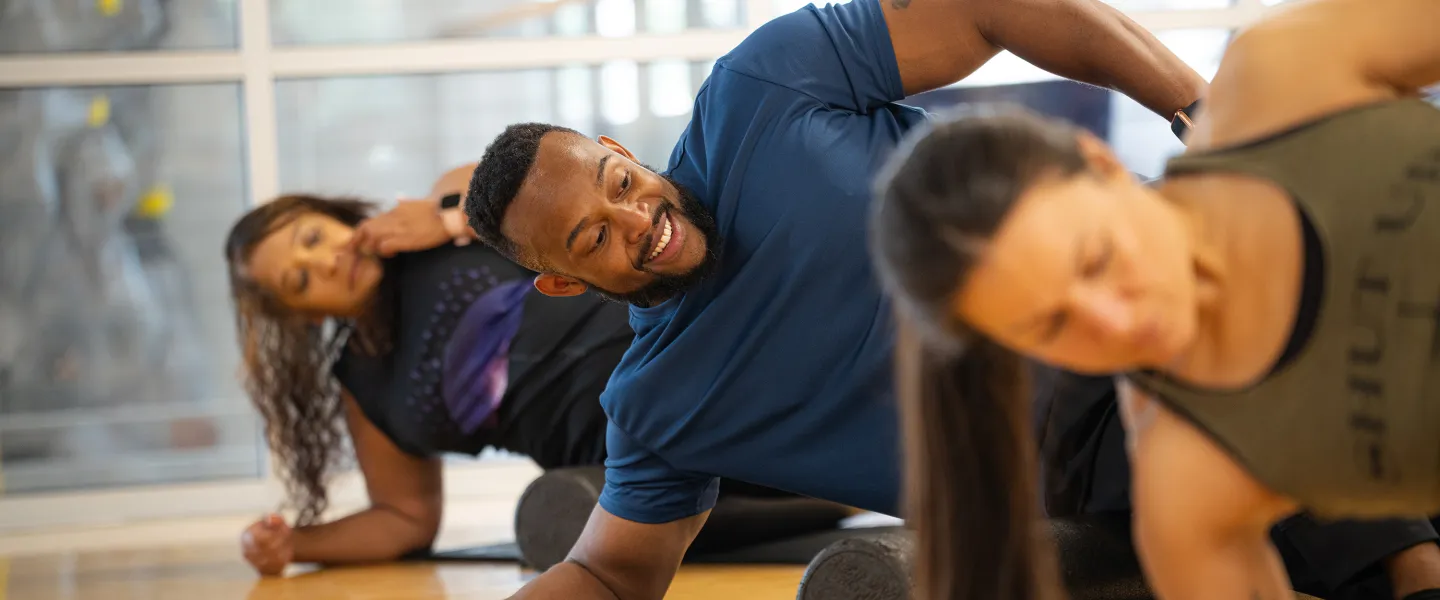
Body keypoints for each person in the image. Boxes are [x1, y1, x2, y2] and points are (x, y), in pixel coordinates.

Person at [448, 0, 1212, 596]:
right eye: (593, 240)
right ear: (562, 283)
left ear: (617, 152)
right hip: (1091, 450)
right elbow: (610, 575)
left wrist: (1202, 116)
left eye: (621, 185)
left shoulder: (758, 93)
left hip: (1154, 270)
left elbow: (990, 7)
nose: (639, 219)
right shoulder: (655, 407)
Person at [869, 0, 1440, 598]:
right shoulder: (1190, 478)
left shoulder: (1280, 86)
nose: (1117, 324)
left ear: (1103, 165)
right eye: (1053, 326)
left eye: (1097, 260)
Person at [225, 165, 842, 576]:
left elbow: (555, 191)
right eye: (299, 280)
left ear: (333, 214)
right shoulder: (364, 388)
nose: (325, 263)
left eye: (311, 237)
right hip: (631, 464)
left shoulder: (451, 201)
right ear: (299, 316)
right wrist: (295, 544)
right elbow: (405, 519)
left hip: (701, 357)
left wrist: (443, 220)